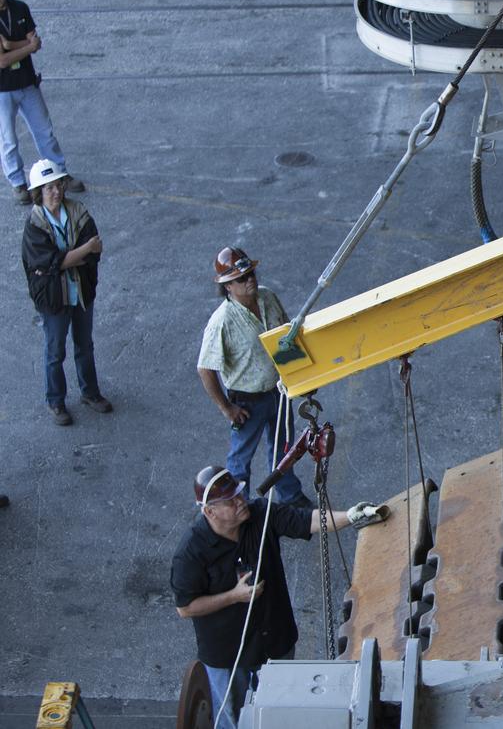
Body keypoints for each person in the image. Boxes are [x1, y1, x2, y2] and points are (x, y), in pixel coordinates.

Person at [171, 466, 388, 729]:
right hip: (228, 657)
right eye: (231, 501)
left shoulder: (260, 514)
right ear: (210, 511)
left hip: (275, 640)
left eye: (240, 493)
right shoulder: (191, 552)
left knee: (278, 713)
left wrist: (352, 516)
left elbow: (307, 519)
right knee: (233, 719)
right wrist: (233, 596)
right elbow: (185, 607)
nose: (241, 501)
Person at [198, 247, 312, 508]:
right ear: (227, 286)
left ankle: (291, 497)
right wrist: (227, 408)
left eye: (251, 274)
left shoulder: (268, 297)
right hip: (247, 401)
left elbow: (286, 338)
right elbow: (205, 369)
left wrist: (299, 377)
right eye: (241, 278)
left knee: (284, 450)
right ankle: (240, 508)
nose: (250, 280)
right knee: (240, 459)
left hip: (280, 391)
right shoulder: (222, 321)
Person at [21, 159, 111, 426]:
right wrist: (81, 252)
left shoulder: (78, 212)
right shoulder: (35, 224)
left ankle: (90, 393)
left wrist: (61, 261)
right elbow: (52, 262)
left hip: (80, 292)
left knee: (85, 346)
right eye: (49, 188)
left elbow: (95, 253)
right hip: (53, 299)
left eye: (58, 185)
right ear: (39, 192)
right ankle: (55, 401)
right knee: (54, 351)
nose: (56, 192)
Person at [0, 0, 80, 205]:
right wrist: (27, 46)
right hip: (2, 90)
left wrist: (9, 44)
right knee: (8, 139)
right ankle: (17, 183)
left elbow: (35, 42)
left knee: (44, 131)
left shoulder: (20, 8)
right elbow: (3, 60)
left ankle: (60, 174)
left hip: (27, 82)